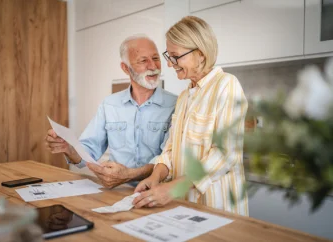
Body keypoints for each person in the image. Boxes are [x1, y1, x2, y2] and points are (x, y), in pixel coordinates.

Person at [133, 16, 249, 216]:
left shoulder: (227, 85)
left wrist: (174, 188)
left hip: (217, 209)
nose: (170, 64)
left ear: (201, 54)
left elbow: (225, 154)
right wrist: (156, 176)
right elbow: (170, 149)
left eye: (176, 56)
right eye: (169, 56)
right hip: (186, 206)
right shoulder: (185, 96)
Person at [45, 35, 177, 189]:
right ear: (125, 68)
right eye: (143, 61)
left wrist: (129, 174)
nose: (153, 66)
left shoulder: (176, 105)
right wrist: (69, 148)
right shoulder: (109, 104)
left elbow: (170, 159)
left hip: (158, 192)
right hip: (117, 191)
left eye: (155, 58)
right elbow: (88, 151)